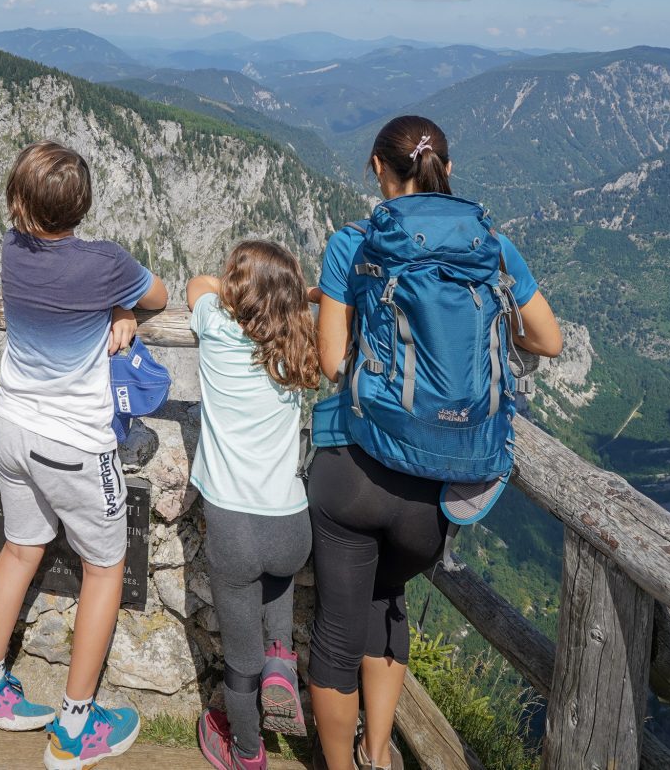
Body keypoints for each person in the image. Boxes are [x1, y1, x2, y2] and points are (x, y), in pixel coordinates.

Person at [306, 116, 563, 770]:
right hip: (435, 491)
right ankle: (379, 752)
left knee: (336, 634)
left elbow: (333, 360)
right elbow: (548, 340)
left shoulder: (352, 245)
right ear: (446, 168)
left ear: (376, 168)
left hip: (352, 471)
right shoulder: (493, 248)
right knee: (387, 604)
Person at [0, 141, 169, 769]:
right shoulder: (105, 263)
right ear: (85, 203)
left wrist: (113, 303)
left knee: (20, 550)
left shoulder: (11, 250)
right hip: (75, 443)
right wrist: (123, 305)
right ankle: (75, 728)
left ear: (21, 202)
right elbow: (155, 295)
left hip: (13, 429)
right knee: (105, 566)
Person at [183, 241, 320, 770]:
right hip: (291, 525)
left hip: (234, 526)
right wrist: (297, 295)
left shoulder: (217, 330)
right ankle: (282, 654)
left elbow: (197, 283)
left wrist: (234, 289)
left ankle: (246, 752)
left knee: (241, 663)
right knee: (277, 576)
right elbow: (321, 306)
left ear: (240, 293)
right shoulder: (297, 344)